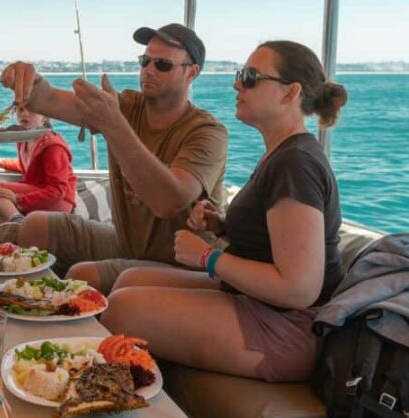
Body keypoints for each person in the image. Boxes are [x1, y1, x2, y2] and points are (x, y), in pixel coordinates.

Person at [101, 40, 348, 383]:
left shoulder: (296, 164)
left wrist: (207, 257)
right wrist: (222, 228)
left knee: (122, 308)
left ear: (290, 93)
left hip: (291, 326)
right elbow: (274, 245)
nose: (236, 84)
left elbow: (299, 288)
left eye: (249, 77)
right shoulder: (281, 154)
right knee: (129, 280)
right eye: (239, 75)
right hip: (261, 302)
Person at [0, 23, 228, 293]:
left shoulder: (207, 133)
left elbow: (167, 201)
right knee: (35, 226)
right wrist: (28, 81)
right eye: (145, 61)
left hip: (184, 264)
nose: (149, 70)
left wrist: (114, 125)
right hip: (128, 243)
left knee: (83, 276)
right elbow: (48, 100)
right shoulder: (128, 106)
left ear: (192, 72)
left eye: (162, 64)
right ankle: (31, 306)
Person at [0, 106, 77, 225]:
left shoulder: (53, 147)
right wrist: (2, 162)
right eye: (20, 109)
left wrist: (19, 199)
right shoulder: (24, 138)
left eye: (31, 109)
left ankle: (18, 221)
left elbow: (58, 190)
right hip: (39, 193)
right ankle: (13, 231)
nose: (24, 114)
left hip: (58, 202)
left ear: (45, 115)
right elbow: (30, 166)